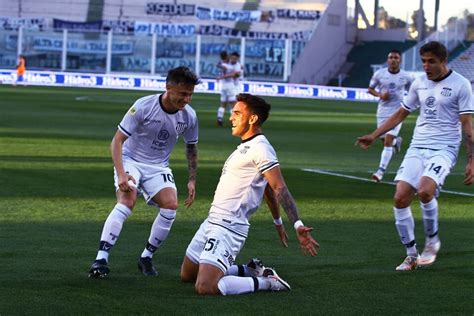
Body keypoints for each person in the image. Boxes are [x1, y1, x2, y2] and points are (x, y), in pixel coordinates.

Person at [180, 93, 319, 295]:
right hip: (211, 221)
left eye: (237, 113)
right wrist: (277, 222)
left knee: (205, 286)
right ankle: (249, 269)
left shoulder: (261, 148)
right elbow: (268, 190)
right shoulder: (244, 147)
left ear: (252, 119)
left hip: (229, 227)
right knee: (187, 275)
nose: (231, 118)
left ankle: (267, 281)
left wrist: (297, 224)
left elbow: (279, 187)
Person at [356, 41, 474, 271]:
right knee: (400, 197)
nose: (426, 66)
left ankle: (432, 242)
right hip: (417, 147)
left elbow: (468, 127)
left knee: (425, 191)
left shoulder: (461, 85)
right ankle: (411, 255)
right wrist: (374, 134)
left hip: (444, 148)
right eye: (424, 61)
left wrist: (471, 159)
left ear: (444, 61)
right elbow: (401, 113)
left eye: (431, 61)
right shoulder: (419, 82)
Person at [88, 66, 200, 278]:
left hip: (158, 166)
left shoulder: (190, 116)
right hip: (131, 161)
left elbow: (191, 147)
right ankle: (101, 258)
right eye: (183, 94)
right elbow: (117, 141)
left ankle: (146, 257)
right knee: (127, 202)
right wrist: (121, 173)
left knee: (171, 206)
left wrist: (192, 180)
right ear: (168, 88)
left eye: (190, 95)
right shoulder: (143, 106)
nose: (187, 99)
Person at [367, 49, 414, 182]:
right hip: (382, 111)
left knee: (387, 141)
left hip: (398, 111)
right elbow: (370, 89)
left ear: (400, 60)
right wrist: (380, 95)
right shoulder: (379, 74)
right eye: (391, 57)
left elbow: (412, 92)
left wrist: (407, 104)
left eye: (396, 58)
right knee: (385, 141)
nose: (393, 60)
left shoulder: (406, 76)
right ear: (388, 60)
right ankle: (396, 141)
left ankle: (380, 172)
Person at [216, 51, 244, 127]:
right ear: (228, 57)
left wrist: (221, 76)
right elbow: (236, 74)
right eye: (232, 57)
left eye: (235, 58)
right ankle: (233, 120)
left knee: (223, 104)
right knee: (233, 104)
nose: (233, 59)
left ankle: (220, 118)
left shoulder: (224, 64)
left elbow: (218, 65)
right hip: (230, 86)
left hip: (226, 86)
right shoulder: (230, 65)